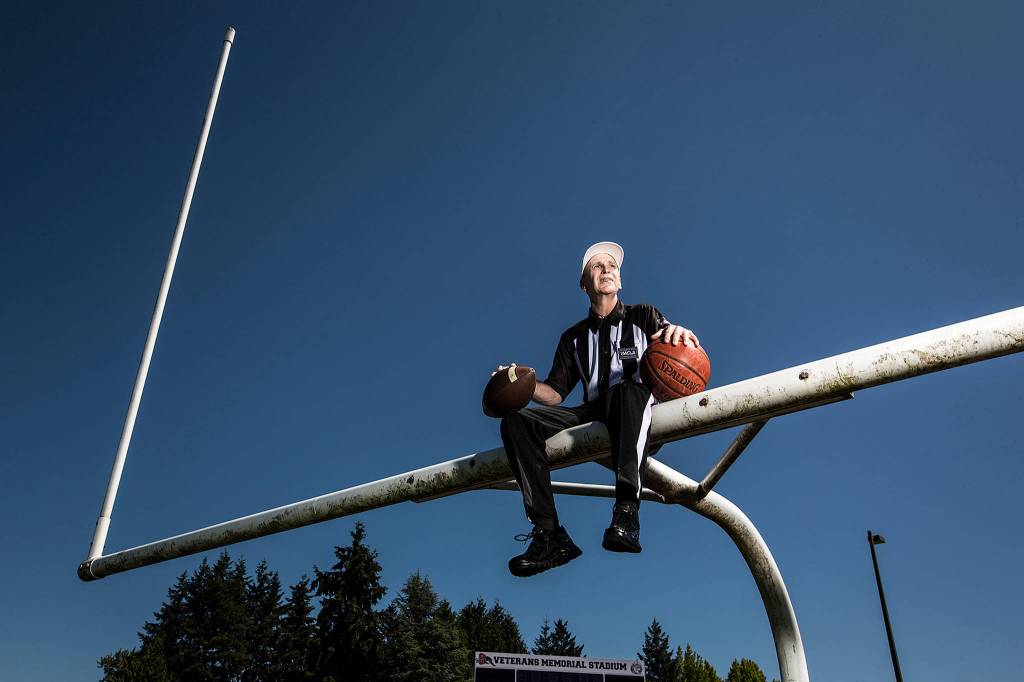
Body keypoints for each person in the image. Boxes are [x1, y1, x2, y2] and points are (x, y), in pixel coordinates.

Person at [496, 241, 699, 577]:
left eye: (612, 266)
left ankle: (626, 513)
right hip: (594, 409)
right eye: (597, 266)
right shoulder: (572, 337)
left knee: (628, 390)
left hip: (636, 409)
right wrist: (519, 383)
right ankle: (549, 534)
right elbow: (556, 394)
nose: (607, 270)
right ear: (584, 284)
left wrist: (678, 332)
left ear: (620, 280)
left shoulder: (643, 315)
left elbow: (671, 340)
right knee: (516, 422)